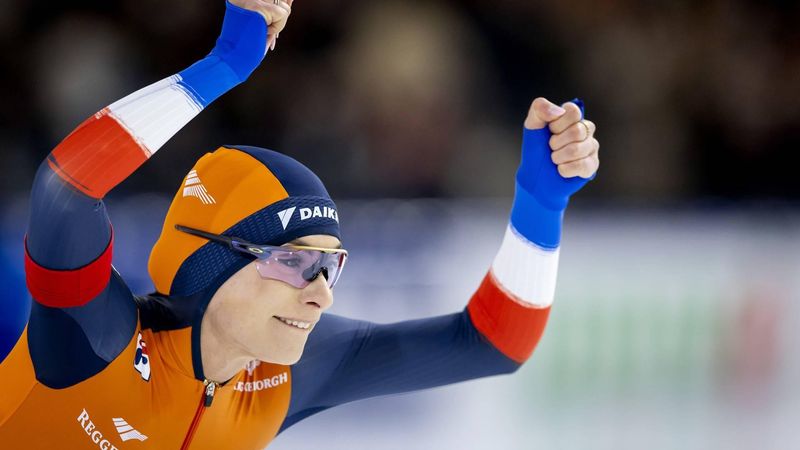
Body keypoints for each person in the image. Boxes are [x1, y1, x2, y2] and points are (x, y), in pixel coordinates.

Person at [0, 0, 600, 449]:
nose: (321, 293)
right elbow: (65, 191)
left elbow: (492, 344)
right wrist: (224, 65)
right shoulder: (91, 339)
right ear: (207, 260)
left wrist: (539, 207)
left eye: (330, 265)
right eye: (294, 260)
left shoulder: (288, 373)